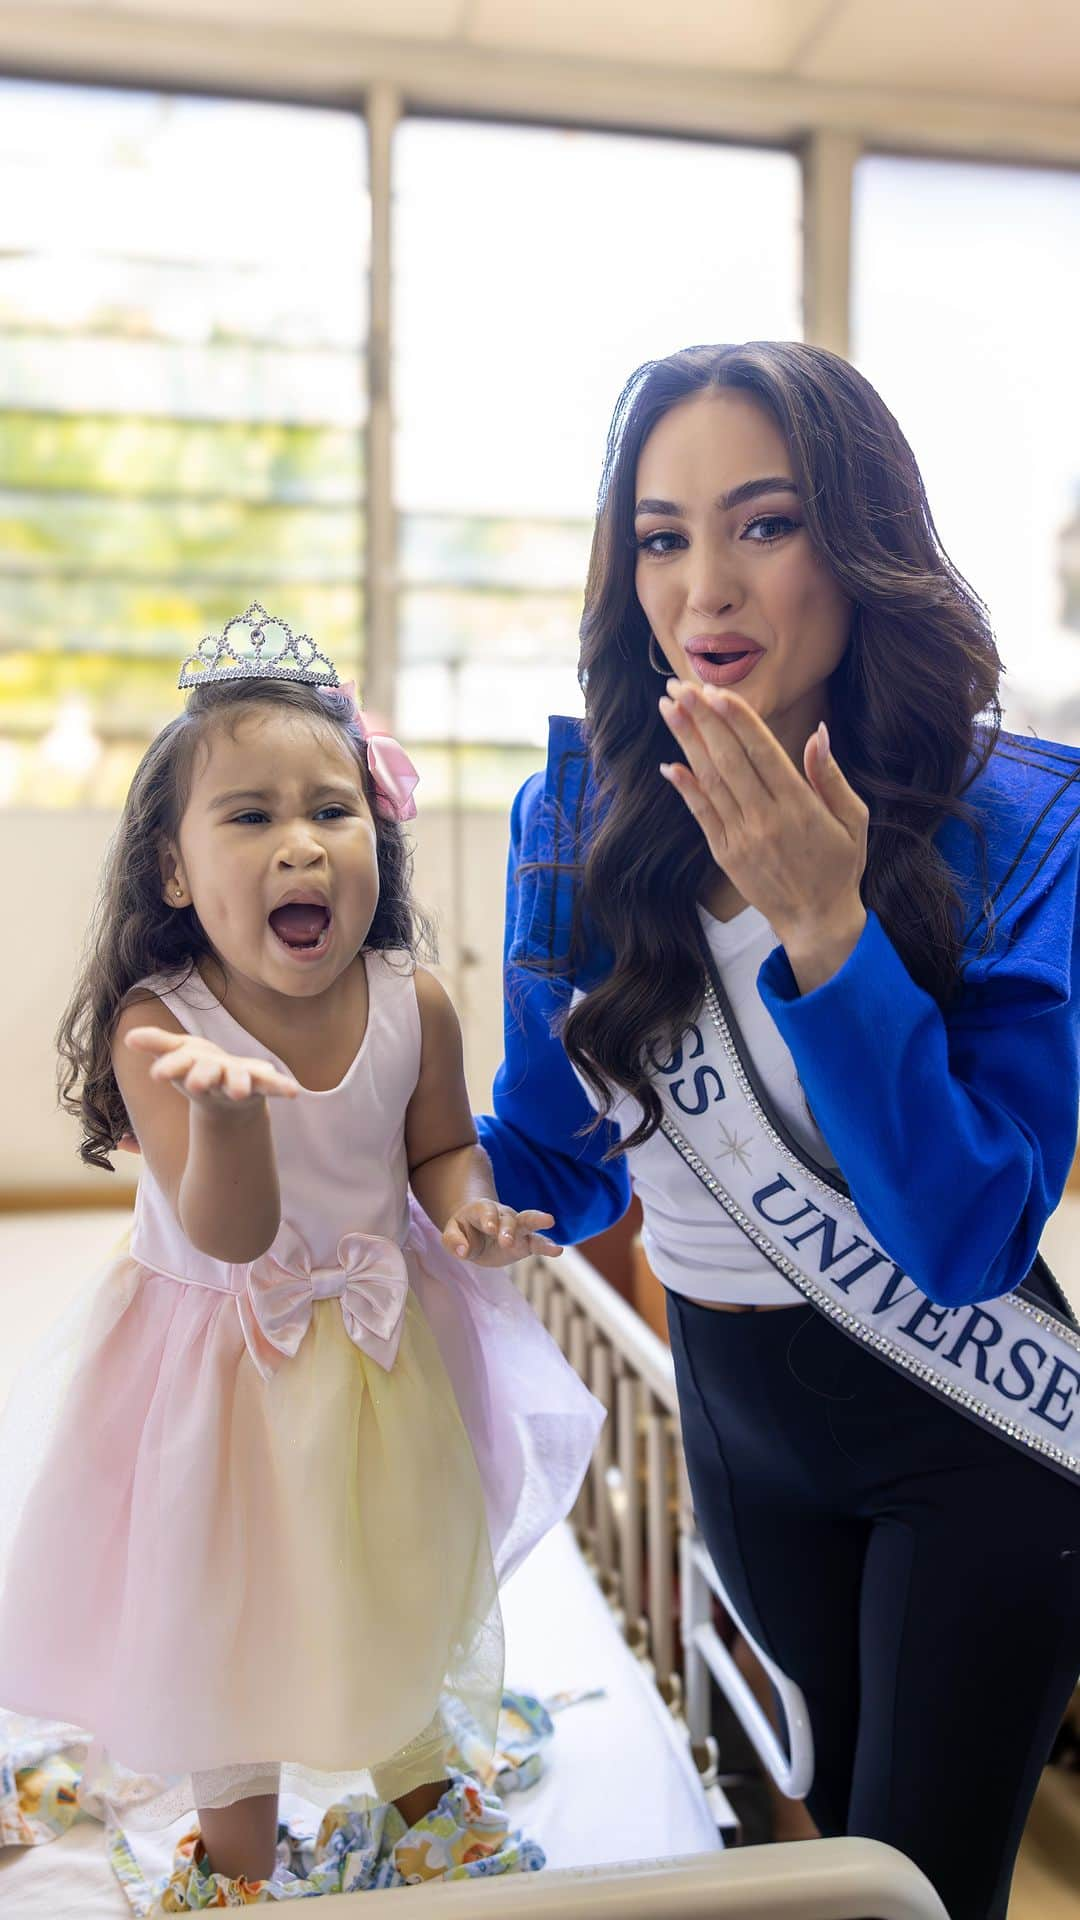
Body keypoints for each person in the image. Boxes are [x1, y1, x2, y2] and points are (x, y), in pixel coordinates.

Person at [477, 342, 1080, 1920]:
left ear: (859, 540)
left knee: (912, 1887)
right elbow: (543, 1161)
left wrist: (830, 934)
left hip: (976, 1435)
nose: (705, 588)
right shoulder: (579, 816)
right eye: (663, 537)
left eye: (764, 523)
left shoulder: (1017, 823)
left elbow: (967, 1238)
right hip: (742, 1423)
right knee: (817, 1852)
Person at [0, 605, 601, 1892]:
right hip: (219, 1376)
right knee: (230, 1608)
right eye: (251, 817)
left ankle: (426, 1801)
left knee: (389, 1577)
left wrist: (469, 1209)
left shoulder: (412, 1002)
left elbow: (437, 1146)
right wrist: (223, 1116)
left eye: (334, 811)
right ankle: (234, 1856)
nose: (302, 847)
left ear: (377, 835)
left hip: (383, 1365)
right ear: (172, 872)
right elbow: (233, 1233)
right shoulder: (163, 1025)